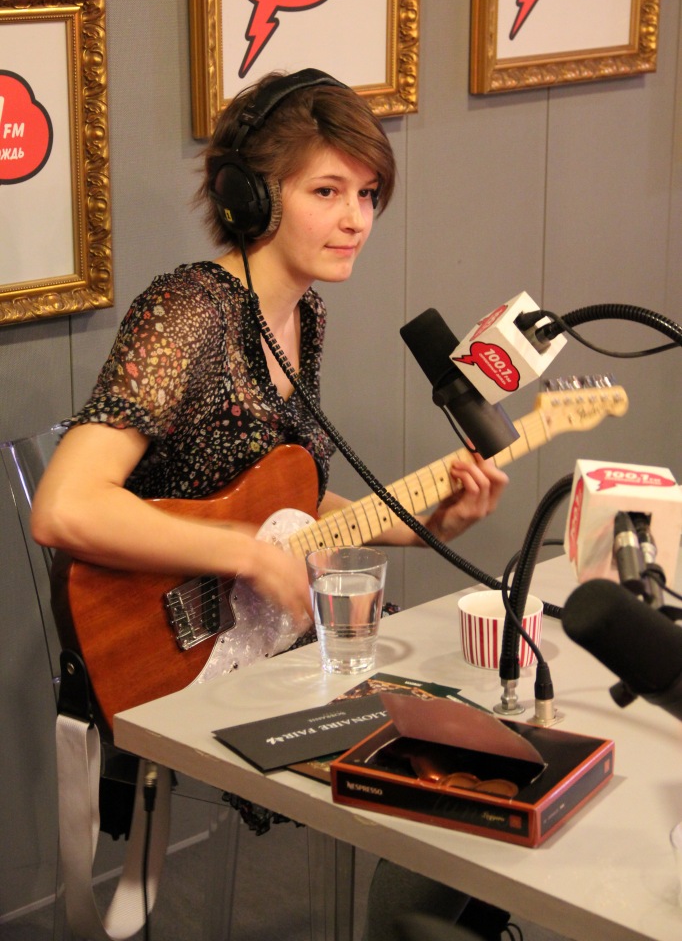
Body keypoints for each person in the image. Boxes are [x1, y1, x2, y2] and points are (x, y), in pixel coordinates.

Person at [32, 69, 510, 939]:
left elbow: (285, 502)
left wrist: (423, 525)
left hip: (260, 643)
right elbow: (62, 508)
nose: (356, 218)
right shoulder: (188, 311)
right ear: (250, 197)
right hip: (176, 655)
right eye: (326, 191)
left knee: (472, 732)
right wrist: (247, 555)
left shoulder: (303, 316)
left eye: (367, 194)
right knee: (436, 754)